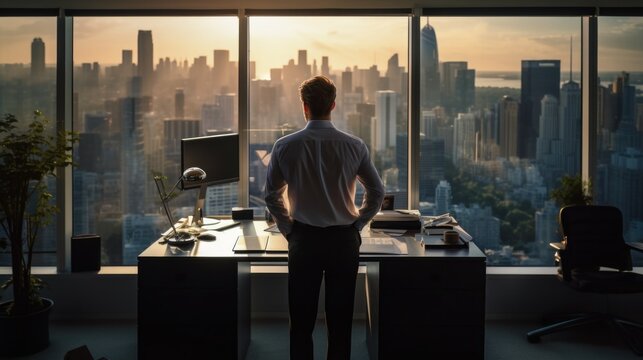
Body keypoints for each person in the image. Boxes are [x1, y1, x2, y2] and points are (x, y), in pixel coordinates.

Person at [265, 75, 385, 359]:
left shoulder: (285, 145)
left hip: (303, 239)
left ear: (303, 106)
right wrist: (357, 224)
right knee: (340, 320)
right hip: (343, 240)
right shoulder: (354, 145)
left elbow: (271, 195)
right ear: (333, 104)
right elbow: (377, 192)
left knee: (301, 320)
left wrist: (289, 231)